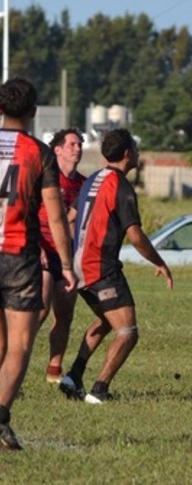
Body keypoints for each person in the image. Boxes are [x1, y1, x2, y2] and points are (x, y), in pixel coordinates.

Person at [60, 128, 173, 404]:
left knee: (106, 320)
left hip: (78, 267)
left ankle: (73, 375)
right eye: (135, 148)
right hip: (101, 269)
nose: (137, 153)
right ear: (127, 154)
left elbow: (70, 217)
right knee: (128, 331)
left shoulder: (93, 180)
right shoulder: (120, 187)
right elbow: (135, 236)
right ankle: (99, 390)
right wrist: (159, 261)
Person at [0, 77, 76, 451]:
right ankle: (0, 419)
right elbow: (56, 216)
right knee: (20, 345)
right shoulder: (40, 153)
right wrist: (66, 263)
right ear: (33, 112)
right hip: (18, 257)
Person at [38, 128, 87, 384]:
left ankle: (54, 369)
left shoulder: (83, 184)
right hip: (42, 250)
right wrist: (36, 247)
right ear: (57, 149)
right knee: (40, 309)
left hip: (68, 256)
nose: (77, 148)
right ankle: (10, 361)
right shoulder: (45, 178)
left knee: (65, 313)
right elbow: (25, 213)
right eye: (72, 144)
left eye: (80, 144)